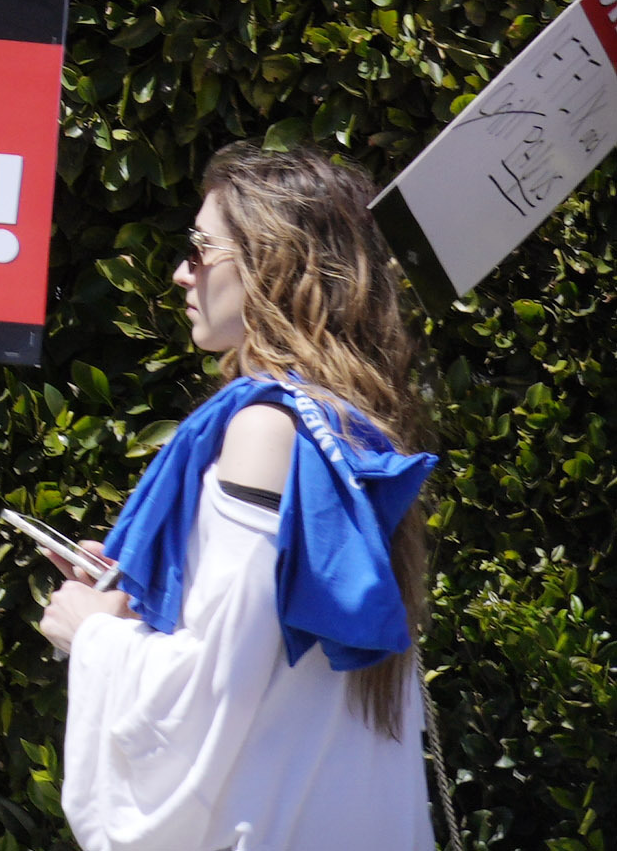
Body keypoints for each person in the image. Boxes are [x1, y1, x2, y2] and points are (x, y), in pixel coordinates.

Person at [38, 146, 437, 845]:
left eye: (200, 249)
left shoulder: (265, 430)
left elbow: (214, 688)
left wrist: (92, 630)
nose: (179, 272)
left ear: (272, 262)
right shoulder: (355, 426)